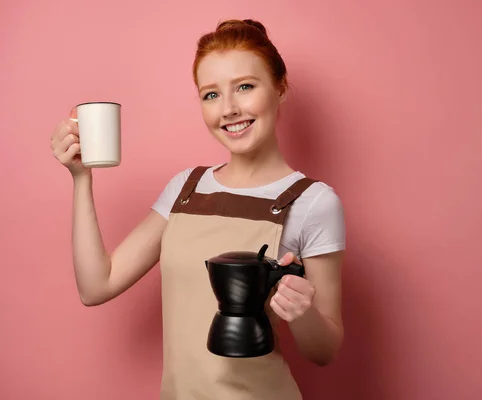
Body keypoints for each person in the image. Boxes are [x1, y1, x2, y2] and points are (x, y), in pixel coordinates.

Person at [50, 19, 345, 400]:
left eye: (245, 86)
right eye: (211, 95)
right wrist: (81, 178)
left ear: (280, 87)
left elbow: (324, 351)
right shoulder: (186, 189)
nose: (229, 109)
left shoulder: (313, 202)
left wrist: (301, 311)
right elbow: (96, 285)